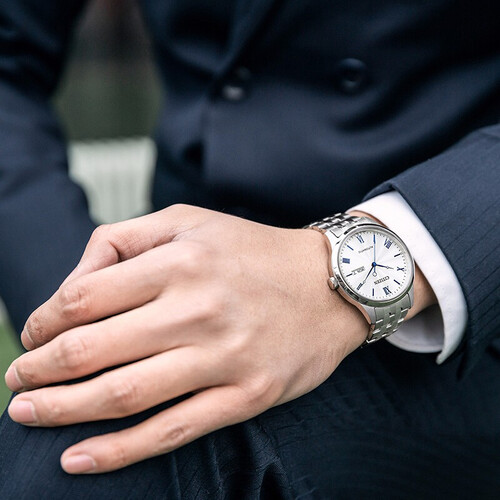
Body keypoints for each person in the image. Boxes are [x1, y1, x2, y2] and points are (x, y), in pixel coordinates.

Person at [0, 0, 499, 498]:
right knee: (81, 432)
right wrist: (86, 304)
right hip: (191, 269)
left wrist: (335, 269)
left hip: (467, 303)